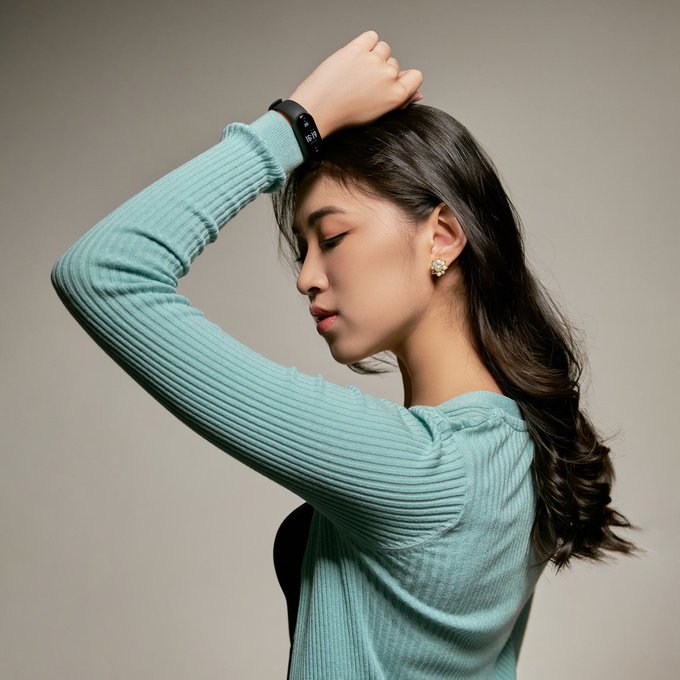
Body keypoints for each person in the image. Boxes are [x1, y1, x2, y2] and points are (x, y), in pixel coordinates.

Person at [51, 29, 641, 679]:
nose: (306, 277)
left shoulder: (424, 468)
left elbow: (103, 272)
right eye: (302, 249)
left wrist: (296, 123)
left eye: (331, 237)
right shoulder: (523, 453)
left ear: (442, 236)